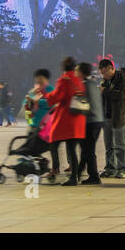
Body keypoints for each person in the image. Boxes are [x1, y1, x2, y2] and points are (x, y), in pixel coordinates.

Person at [42, 57, 86, 185]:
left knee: (53, 142)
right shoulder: (78, 80)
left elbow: (58, 96)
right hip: (78, 118)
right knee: (71, 147)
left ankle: (57, 170)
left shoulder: (64, 79)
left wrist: (47, 95)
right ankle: (74, 175)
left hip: (66, 118)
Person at [98, 58, 125, 178]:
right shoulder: (105, 81)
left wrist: (105, 91)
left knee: (119, 145)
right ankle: (110, 168)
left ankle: (121, 169)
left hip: (118, 116)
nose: (104, 75)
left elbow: (122, 95)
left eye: (105, 72)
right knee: (109, 145)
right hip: (106, 116)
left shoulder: (122, 79)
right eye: (102, 73)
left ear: (112, 68)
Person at [75, 62, 104, 185]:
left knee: (88, 150)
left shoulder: (82, 86)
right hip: (98, 120)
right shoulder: (93, 84)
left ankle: (94, 176)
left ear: (80, 73)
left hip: (90, 122)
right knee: (86, 149)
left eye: (76, 71)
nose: (75, 73)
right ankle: (78, 173)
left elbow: (78, 104)